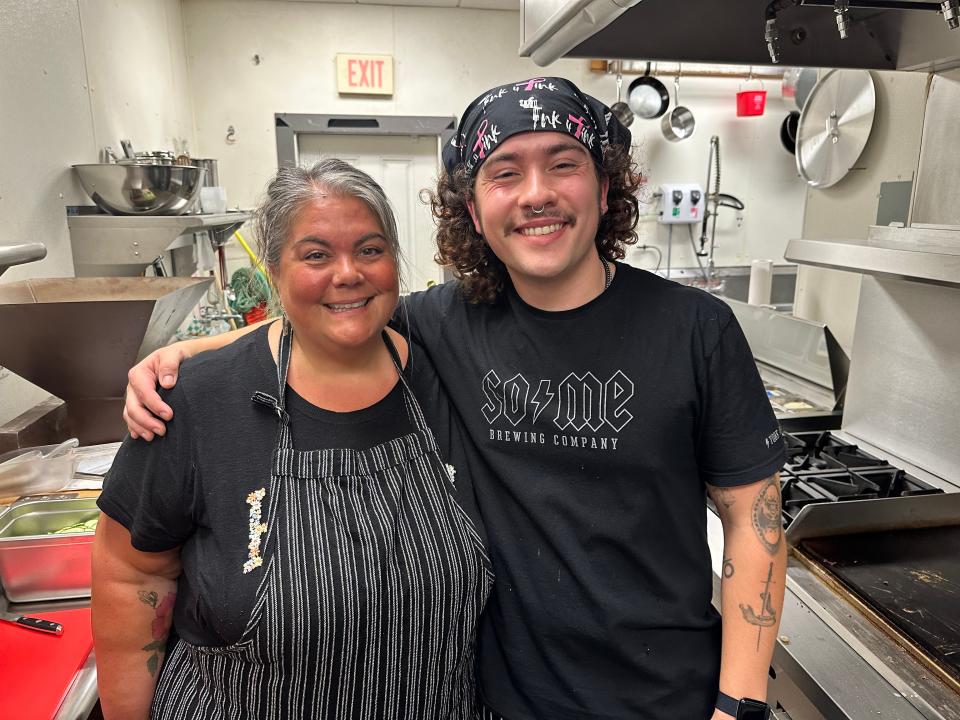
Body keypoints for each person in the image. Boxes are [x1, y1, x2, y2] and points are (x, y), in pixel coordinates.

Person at [124, 77, 787, 720]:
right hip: (503, 700)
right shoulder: (445, 322)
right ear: (473, 208)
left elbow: (754, 525)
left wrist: (740, 702)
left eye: (563, 164)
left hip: (666, 698)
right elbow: (335, 312)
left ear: (605, 185)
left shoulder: (695, 330)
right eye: (505, 173)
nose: (536, 195)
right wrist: (184, 357)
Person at [93, 159, 492, 719]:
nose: (348, 272)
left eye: (371, 250)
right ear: (276, 273)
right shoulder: (196, 401)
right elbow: (130, 574)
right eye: (316, 255)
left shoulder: (446, 376)